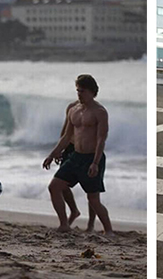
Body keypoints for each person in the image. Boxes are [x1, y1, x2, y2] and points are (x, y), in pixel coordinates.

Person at [43, 75, 113, 234]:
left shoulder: (100, 112)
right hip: (75, 156)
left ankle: (109, 230)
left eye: (82, 91)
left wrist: (95, 162)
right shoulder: (74, 110)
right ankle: (64, 224)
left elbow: (102, 139)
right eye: (78, 91)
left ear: (92, 92)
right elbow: (66, 136)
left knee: (93, 200)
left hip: (91, 158)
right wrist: (52, 154)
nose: (79, 94)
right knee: (54, 186)